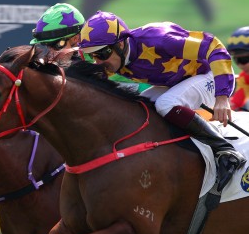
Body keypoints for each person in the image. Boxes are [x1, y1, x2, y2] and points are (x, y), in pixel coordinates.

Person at [78, 11, 246, 193]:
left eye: (101, 54)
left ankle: (226, 151)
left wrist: (222, 97)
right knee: (138, 107)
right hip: (179, 83)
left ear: (120, 44)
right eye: (91, 56)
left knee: (165, 104)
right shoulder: (114, 57)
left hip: (209, 75)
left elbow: (214, 47)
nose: (98, 62)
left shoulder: (160, 39)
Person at [227, 26, 249, 111]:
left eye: (244, 59)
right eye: (236, 60)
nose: (240, 65)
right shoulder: (245, 78)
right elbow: (235, 105)